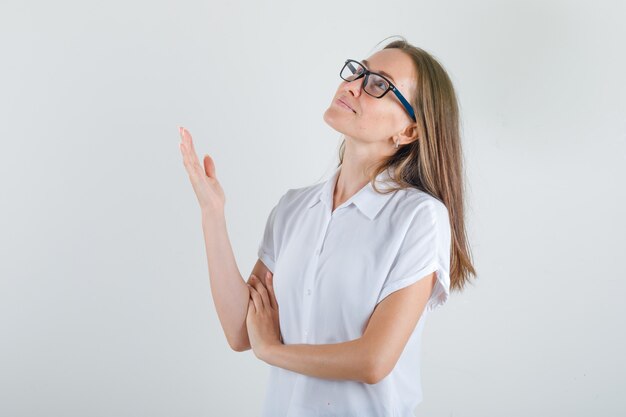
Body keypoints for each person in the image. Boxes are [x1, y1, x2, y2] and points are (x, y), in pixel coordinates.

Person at [179, 36, 476, 417]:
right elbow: (240, 332)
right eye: (359, 71)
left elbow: (373, 361)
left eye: (378, 84)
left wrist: (272, 351)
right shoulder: (294, 208)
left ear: (408, 132)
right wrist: (212, 213)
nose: (352, 85)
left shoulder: (419, 218)